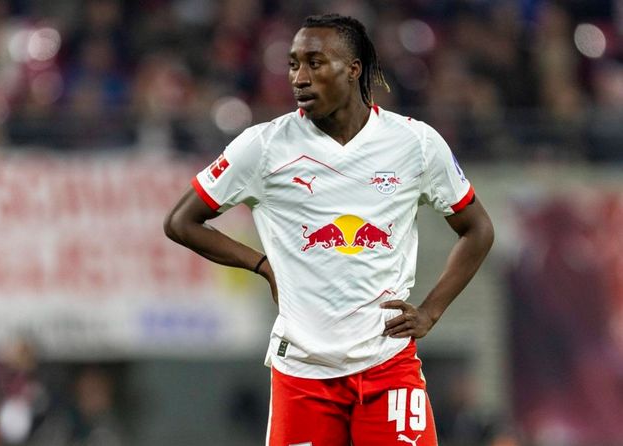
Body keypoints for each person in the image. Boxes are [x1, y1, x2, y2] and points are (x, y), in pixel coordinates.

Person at [164, 13, 494, 446]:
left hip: (388, 365)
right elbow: (181, 222)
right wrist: (263, 266)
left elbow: (477, 229)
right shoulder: (263, 147)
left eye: (315, 63)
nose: (299, 78)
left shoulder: (415, 143)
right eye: (293, 64)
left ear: (353, 69)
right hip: (303, 373)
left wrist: (431, 310)